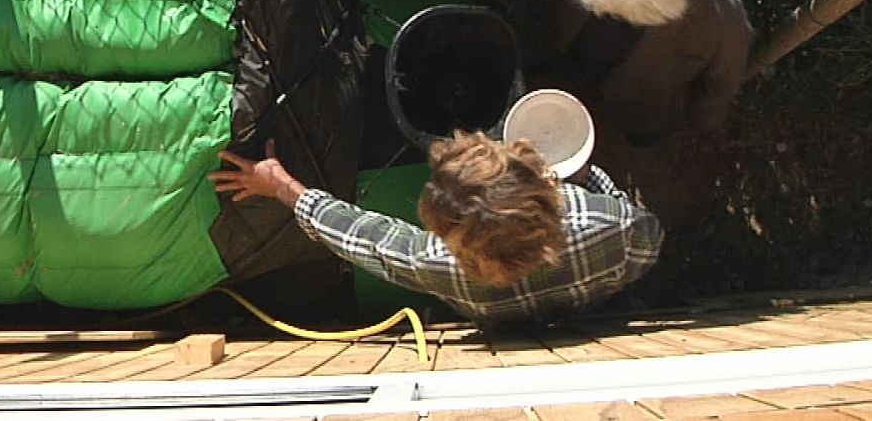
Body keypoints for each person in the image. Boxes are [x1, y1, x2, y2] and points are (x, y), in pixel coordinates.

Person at [211, 131, 663, 325]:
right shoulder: (615, 224)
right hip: (585, 302)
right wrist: (586, 177)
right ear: (545, 184)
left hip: (498, 318)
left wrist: (283, 187)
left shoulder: (437, 264)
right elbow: (647, 237)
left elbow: (360, 234)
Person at [475, 0, 753, 147]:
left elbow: (718, 89)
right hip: (557, 43)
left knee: (638, 132)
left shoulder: (724, 23)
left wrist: (699, 129)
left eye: (612, 5)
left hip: (631, 97)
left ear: (661, 11)